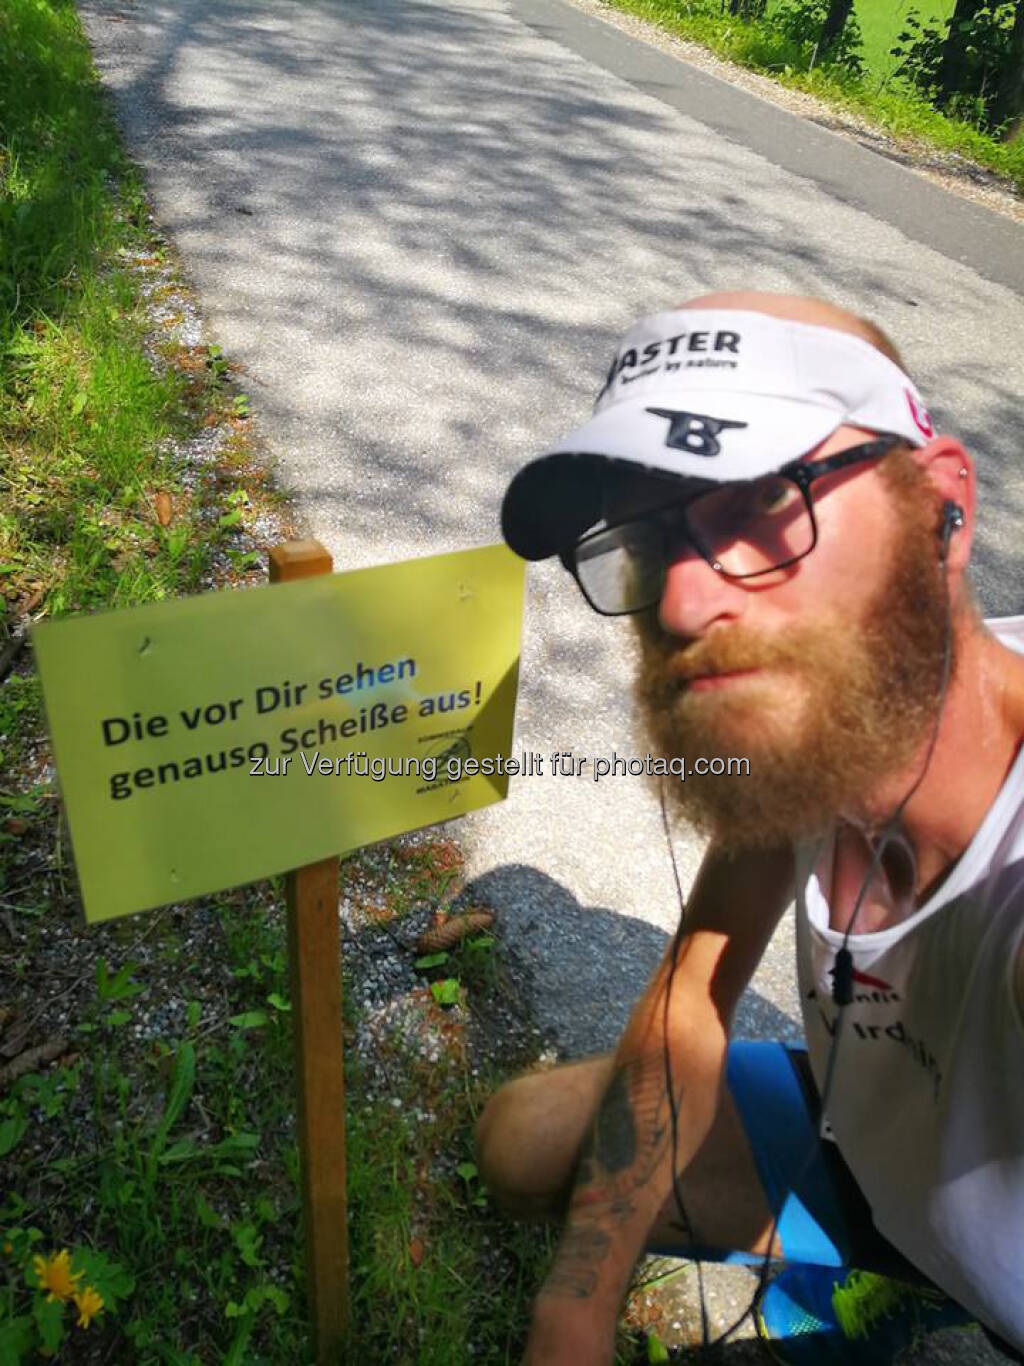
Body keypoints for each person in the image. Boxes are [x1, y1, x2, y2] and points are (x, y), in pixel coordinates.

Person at [478, 291, 1024, 1365]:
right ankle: (908, 1276)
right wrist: (574, 1310)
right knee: (523, 1142)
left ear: (942, 507)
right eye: (646, 538)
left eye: (763, 498)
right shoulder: (836, 728)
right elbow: (694, 992)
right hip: (877, 1147)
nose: (682, 605)